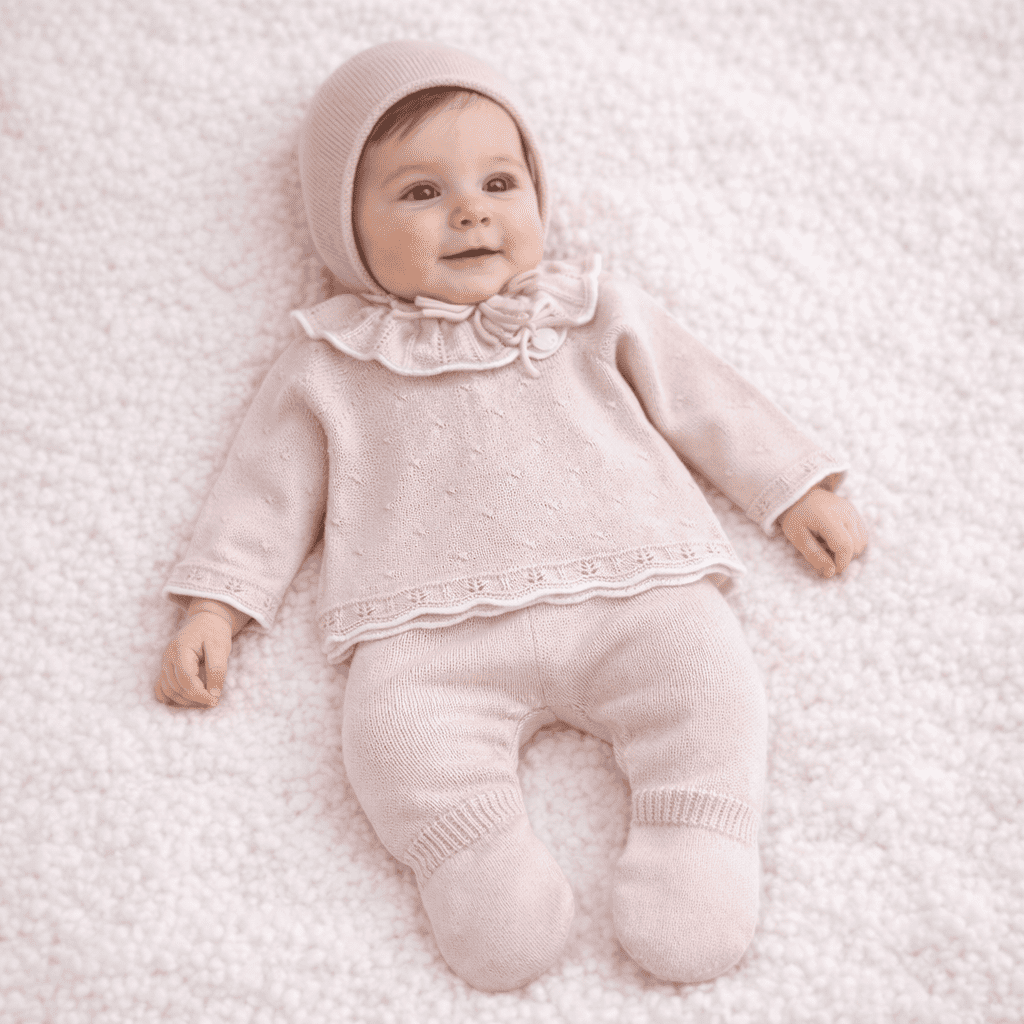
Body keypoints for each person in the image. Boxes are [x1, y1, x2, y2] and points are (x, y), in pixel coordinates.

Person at [156, 40, 868, 992]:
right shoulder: (331, 362)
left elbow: (702, 397)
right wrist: (216, 606)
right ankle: (473, 858)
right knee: (393, 733)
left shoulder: (588, 309)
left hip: (633, 587)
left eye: (500, 181)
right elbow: (264, 490)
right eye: (420, 192)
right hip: (428, 629)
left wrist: (792, 487)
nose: (471, 211)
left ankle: (698, 831)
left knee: (708, 677)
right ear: (343, 227)